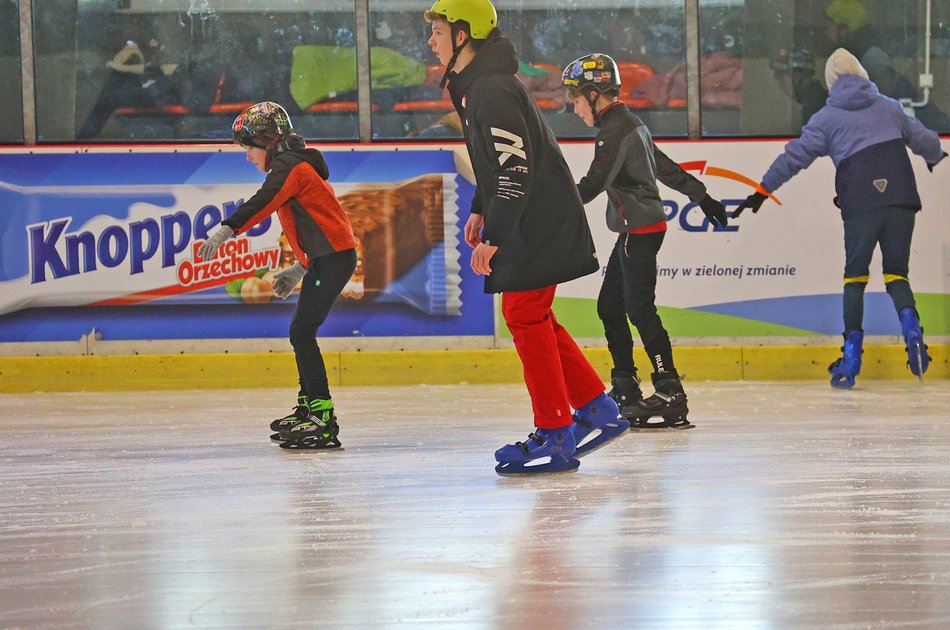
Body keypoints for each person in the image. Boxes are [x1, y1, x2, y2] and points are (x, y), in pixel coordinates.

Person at [424, 0, 629, 476]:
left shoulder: (491, 89)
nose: (430, 41)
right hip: (533, 216)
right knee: (531, 313)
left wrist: (495, 233)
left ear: (462, 35)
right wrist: (481, 207)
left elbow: (514, 169)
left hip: (538, 220)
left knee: (523, 313)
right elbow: (493, 160)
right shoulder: (477, 85)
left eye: (437, 32)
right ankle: (596, 408)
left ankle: (555, 432)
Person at [734, 48, 946, 388]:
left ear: (832, 82)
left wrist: (762, 191)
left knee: (855, 279)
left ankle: (851, 358)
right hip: (900, 198)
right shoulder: (889, 107)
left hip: (861, 202)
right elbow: (921, 136)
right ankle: (913, 332)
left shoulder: (827, 119)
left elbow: (793, 157)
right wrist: (934, 155)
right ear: (863, 74)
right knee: (896, 275)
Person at [561, 53, 728, 430]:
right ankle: (625, 385)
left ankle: (670, 391)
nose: (574, 108)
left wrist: (547, 206)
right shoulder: (630, 124)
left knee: (639, 309)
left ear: (593, 94)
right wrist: (701, 196)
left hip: (639, 232)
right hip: (634, 231)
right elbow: (664, 167)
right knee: (609, 307)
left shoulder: (614, 131)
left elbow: (592, 185)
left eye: (576, 99)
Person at [198, 101, 359, 448]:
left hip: (333, 260)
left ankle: (321, 414)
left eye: (248, 148)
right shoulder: (297, 165)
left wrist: (227, 229)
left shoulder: (290, 167)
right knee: (301, 331)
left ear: (267, 140)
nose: (247, 157)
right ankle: (310, 406)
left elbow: (264, 200)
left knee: (302, 332)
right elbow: (321, 223)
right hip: (329, 258)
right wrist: (300, 266)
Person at [76, 37, 183, 140]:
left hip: (162, 131)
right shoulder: (118, 85)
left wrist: (121, 67)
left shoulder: (166, 74)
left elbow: (154, 69)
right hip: (131, 130)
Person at [770, 47, 828, 128]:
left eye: (781, 78)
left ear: (796, 76)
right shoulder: (818, 99)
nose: (780, 86)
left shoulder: (812, 108)